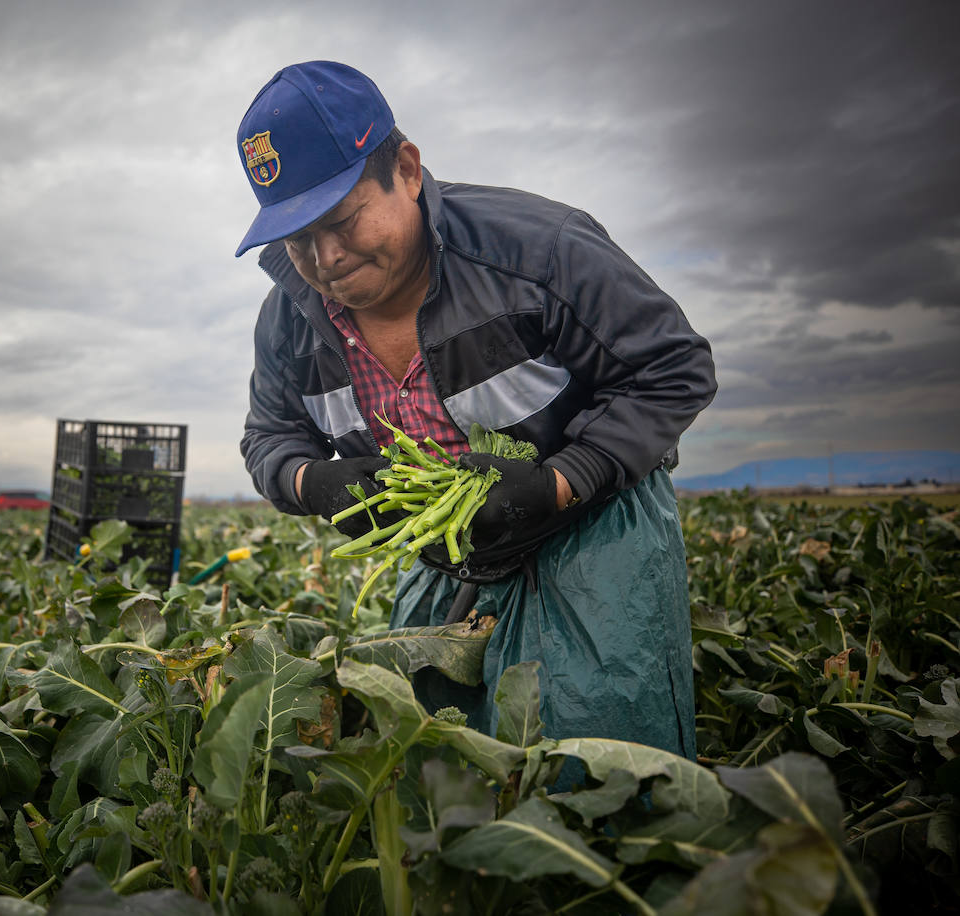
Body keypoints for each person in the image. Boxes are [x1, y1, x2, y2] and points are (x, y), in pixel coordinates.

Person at [233, 61, 717, 762]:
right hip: (449, 554)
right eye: (298, 239)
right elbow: (269, 437)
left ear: (405, 168)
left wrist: (556, 480)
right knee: (439, 770)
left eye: (339, 221)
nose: (326, 257)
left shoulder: (539, 250)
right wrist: (318, 483)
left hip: (591, 528)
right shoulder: (289, 319)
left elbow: (674, 369)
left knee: (589, 772)